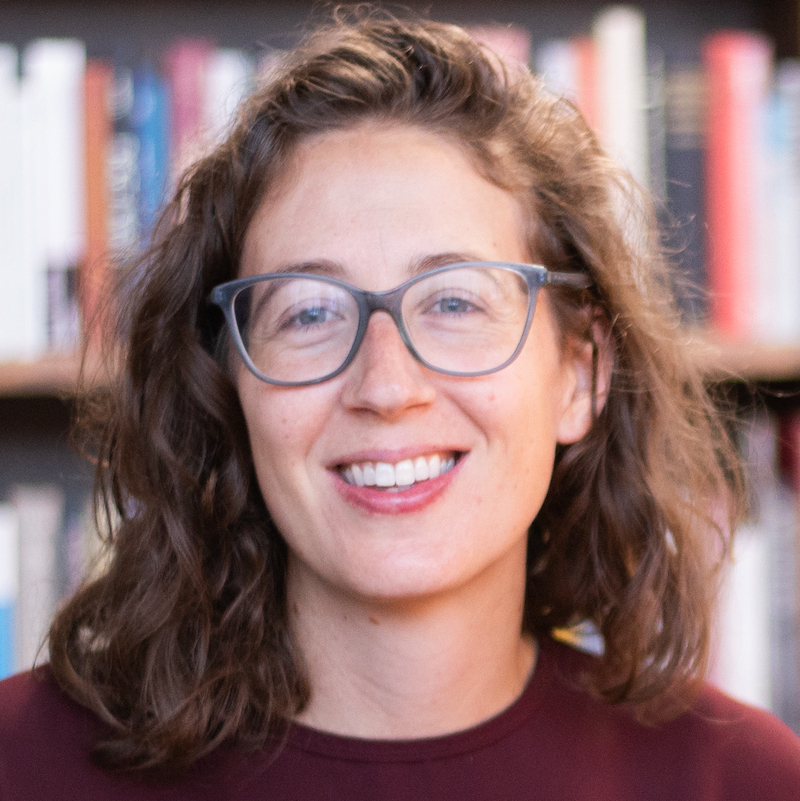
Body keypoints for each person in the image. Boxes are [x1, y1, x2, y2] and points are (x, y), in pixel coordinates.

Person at [2, 8, 800, 799]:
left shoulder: (745, 780)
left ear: (580, 373)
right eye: (310, 312)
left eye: (454, 302)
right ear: (228, 385)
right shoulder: (23, 763)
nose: (386, 386)